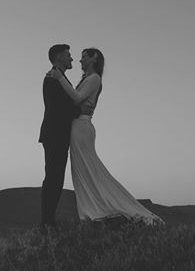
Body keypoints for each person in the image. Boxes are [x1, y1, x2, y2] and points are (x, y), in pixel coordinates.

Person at [48, 48, 162, 225]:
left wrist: (60, 78)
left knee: (90, 168)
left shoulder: (94, 79)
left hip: (82, 128)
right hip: (78, 127)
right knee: (84, 170)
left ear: (94, 58)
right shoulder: (86, 79)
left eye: (84, 57)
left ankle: (103, 208)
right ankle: (92, 208)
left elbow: (77, 98)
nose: (80, 61)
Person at [38, 44, 80, 232]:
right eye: (68, 55)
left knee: (56, 177)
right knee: (53, 178)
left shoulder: (60, 78)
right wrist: (78, 110)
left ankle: (48, 220)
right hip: (54, 135)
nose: (72, 59)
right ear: (58, 58)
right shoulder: (52, 78)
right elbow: (57, 108)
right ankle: (46, 221)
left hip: (58, 135)